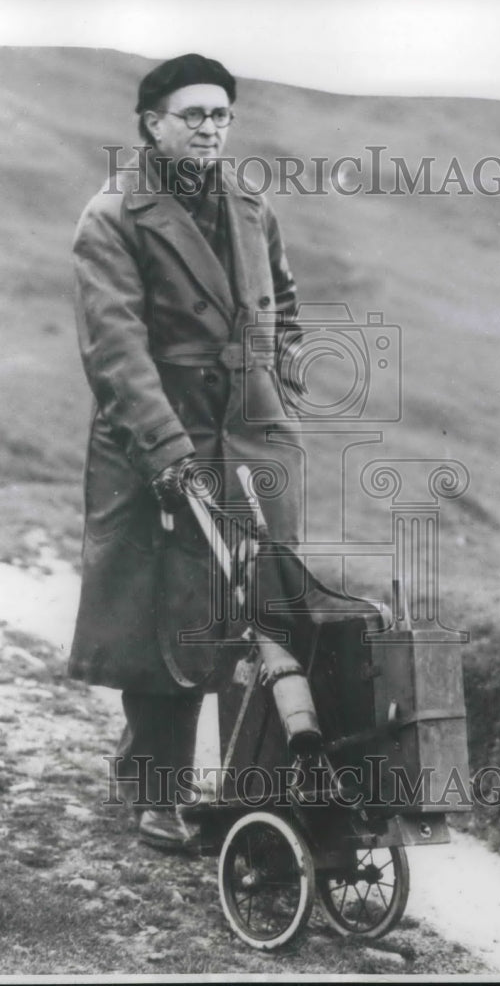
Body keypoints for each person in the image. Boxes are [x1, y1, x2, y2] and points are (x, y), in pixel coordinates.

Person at [68, 53, 304, 853]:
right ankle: (153, 790)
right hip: (156, 439)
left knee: (261, 610)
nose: (210, 127)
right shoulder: (112, 216)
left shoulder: (249, 203)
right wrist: (167, 452)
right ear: (152, 122)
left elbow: (284, 297)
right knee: (168, 623)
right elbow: (115, 351)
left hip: (251, 435)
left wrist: (285, 377)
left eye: (221, 115)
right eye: (194, 114)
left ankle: (253, 792)